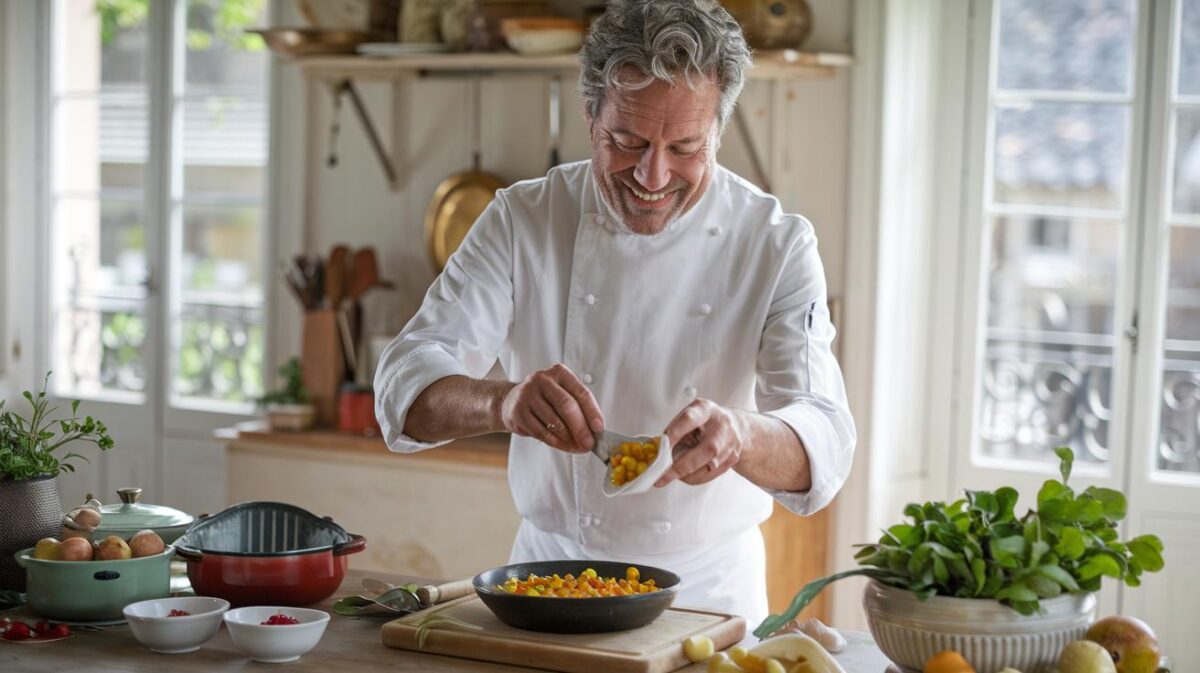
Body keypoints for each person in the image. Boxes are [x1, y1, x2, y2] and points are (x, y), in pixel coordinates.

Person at [374, 0, 855, 630]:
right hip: (546, 581)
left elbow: (823, 442)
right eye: (626, 142)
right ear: (589, 115)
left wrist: (740, 436)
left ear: (718, 130)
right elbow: (402, 388)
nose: (653, 175)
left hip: (708, 600)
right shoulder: (524, 219)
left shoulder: (776, 243)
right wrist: (503, 403)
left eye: (686, 147)